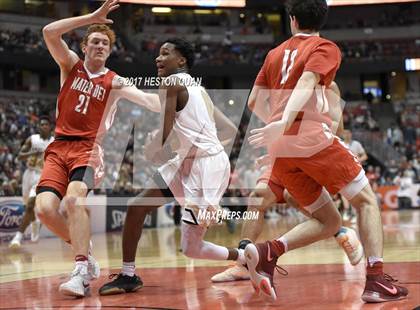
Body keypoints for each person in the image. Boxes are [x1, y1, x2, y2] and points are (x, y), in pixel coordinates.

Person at [247, 0, 407, 303]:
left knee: (330, 222)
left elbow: (255, 100)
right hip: (310, 138)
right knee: (366, 202)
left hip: (282, 150)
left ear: (292, 20)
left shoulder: (272, 54)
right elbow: (307, 81)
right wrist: (284, 122)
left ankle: (269, 252)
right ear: (322, 18)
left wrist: (275, 129)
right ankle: (375, 280)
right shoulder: (325, 47)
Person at [35, 0, 161, 297]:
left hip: (89, 149)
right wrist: (91, 17)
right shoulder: (69, 66)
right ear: (85, 46)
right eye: (95, 41)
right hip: (58, 147)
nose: (100, 45)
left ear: (110, 49)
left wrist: (182, 94)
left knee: (74, 201)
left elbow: (149, 101)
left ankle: (80, 272)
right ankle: (86, 251)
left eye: (105, 42)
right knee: (44, 211)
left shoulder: (114, 81)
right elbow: (49, 32)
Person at [98, 38, 242, 296]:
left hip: (203, 166)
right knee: (140, 210)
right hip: (201, 161)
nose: (158, 58)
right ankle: (128, 276)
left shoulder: (171, 82)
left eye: (165, 53)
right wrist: (201, 148)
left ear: (181, 60)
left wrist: (152, 148)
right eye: (158, 54)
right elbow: (230, 130)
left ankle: (240, 244)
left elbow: (162, 138)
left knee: (191, 245)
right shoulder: (199, 89)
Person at [212, 83, 363, 283]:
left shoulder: (328, 85)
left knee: (293, 198)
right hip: (283, 155)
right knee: (257, 197)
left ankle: (339, 230)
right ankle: (243, 263)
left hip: (312, 153)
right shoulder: (283, 80)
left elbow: (338, 126)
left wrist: (305, 140)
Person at [9, 116, 54, 249]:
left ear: (50, 127)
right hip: (28, 174)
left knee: (30, 205)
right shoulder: (32, 139)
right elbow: (19, 156)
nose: (44, 126)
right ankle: (34, 223)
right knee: (26, 207)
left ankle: (18, 237)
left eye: (46, 124)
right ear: (39, 127)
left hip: (42, 175)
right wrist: (32, 153)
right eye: (42, 124)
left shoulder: (54, 142)